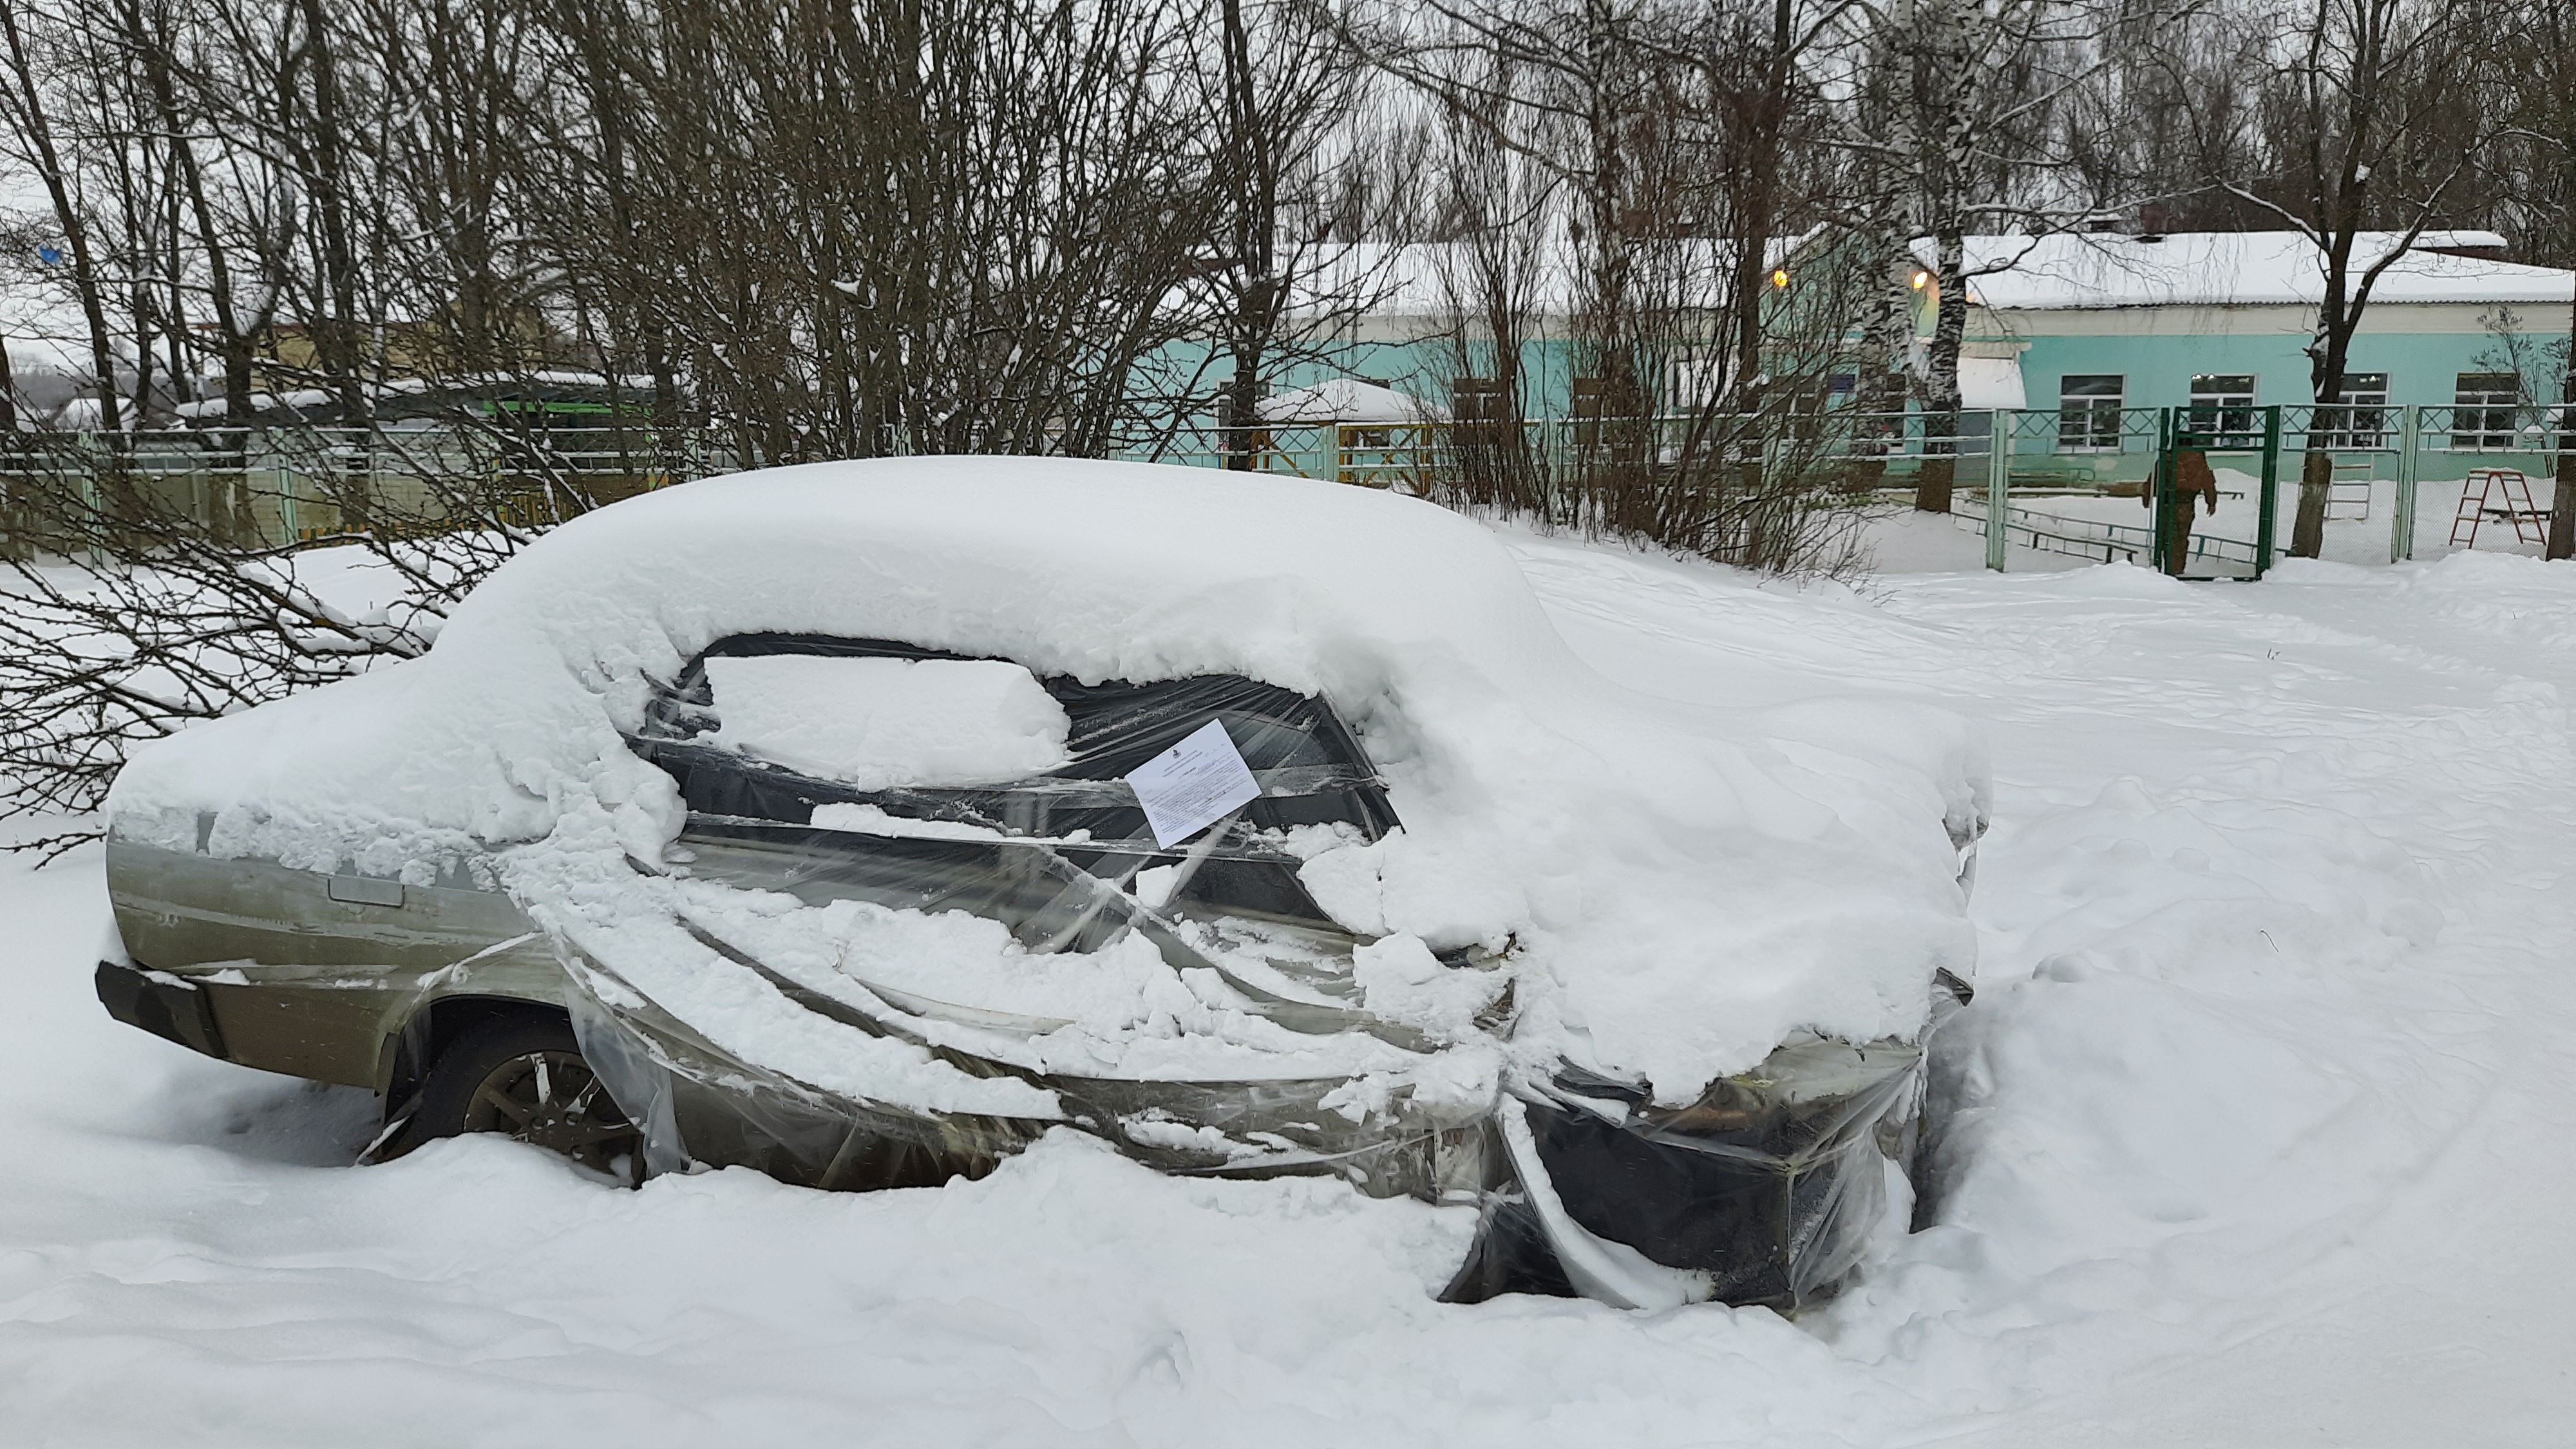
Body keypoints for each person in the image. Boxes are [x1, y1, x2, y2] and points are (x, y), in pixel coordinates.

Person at [2144, 448, 2221, 574]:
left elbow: (2153, 480)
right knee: (2181, 538)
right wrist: (2211, 502)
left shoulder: (2167, 458)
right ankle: (2177, 568)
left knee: (2167, 537)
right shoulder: (2197, 459)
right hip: (2186, 504)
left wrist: (2147, 498)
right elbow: (2208, 481)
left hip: (2167, 504)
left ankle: (2168, 567)